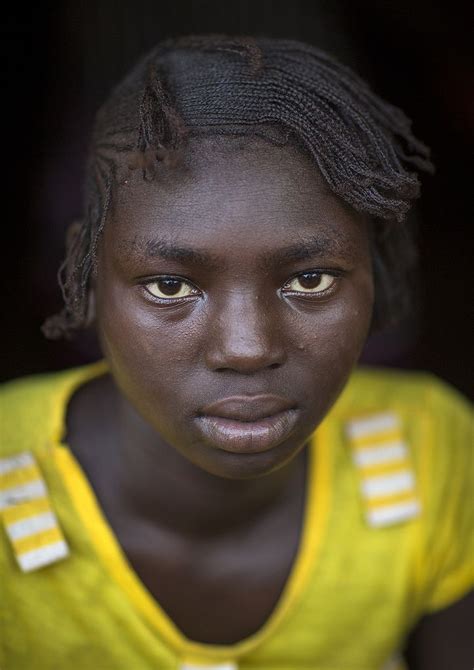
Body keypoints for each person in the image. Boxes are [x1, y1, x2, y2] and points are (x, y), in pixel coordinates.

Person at [0, 35, 472, 670]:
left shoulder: (432, 453)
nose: (247, 349)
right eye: (170, 286)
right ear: (85, 273)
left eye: (310, 280)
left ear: (375, 270)